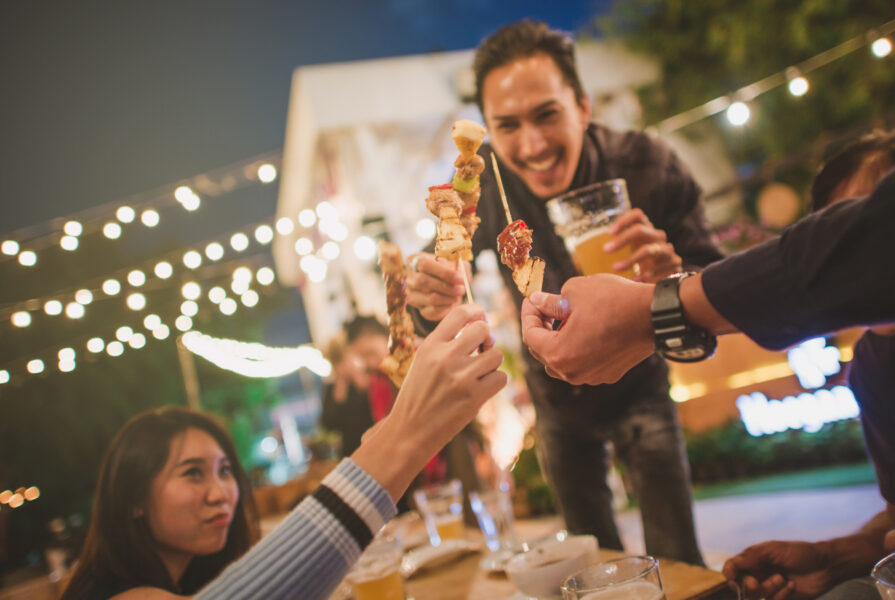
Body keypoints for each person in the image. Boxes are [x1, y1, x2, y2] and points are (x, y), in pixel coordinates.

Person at [407, 19, 720, 563]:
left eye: (547, 115)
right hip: (556, 402)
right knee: (590, 569)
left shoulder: (648, 166)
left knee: (679, 564)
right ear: (488, 130)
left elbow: (716, 289)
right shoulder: (483, 188)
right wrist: (427, 302)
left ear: (582, 106)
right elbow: (440, 276)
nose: (531, 145)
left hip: (641, 386)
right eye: (507, 126)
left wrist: (676, 281)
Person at [521, 164, 895, 598]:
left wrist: (655, 307)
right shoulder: (875, 363)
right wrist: (834, 557)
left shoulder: (647, 161)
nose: (842, 262)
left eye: (854, 231)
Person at [62, 304, 505, 600]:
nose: (220, 493)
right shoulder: (124, 594)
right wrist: (410, 435)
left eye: (225, 471)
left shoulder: (190, 577)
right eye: (192, 473)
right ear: (133, 498)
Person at [721, 130, 895, 600]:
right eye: (838, 247)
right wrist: (829, 558)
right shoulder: (874, 366)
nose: (858, 266)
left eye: (870, 233)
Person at [319, 331, 375, 457]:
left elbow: (377, 407)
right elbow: (328, 425)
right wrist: (341, 386)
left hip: (374, 441)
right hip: (351, 449)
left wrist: (358, 379)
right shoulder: (331, 389)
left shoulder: (367, 377)